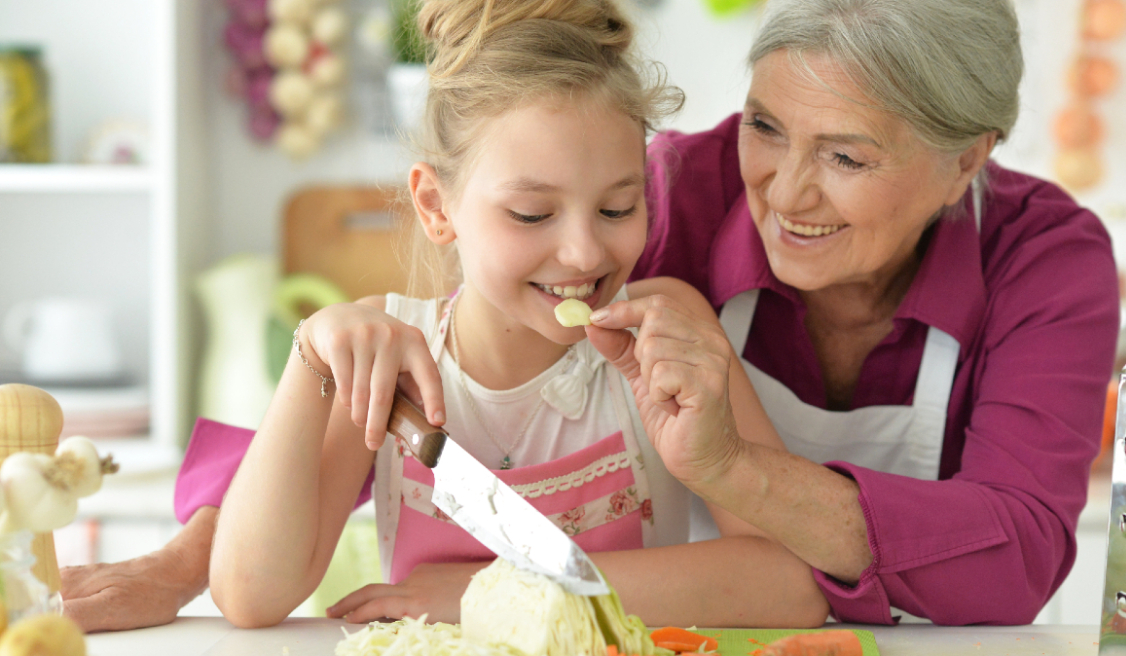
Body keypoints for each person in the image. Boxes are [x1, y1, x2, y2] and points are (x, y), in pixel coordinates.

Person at [61, 0, 1120, 630]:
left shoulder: (1045, 260)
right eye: (765, 127)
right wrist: (181, 556)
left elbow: (1019, 551)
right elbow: (421, 355)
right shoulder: (654, 197)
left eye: (845, 156)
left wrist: (510, 588)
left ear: (963, 163)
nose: (785, 191)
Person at [206, 0, 824, 630]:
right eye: (532, 214)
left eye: (617, 208)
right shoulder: (385, 358)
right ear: (436, 205)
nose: (585, 252)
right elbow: (252, 596)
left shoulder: (663, 326)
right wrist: (311, 353)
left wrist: (492, 591)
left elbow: (789, 584)